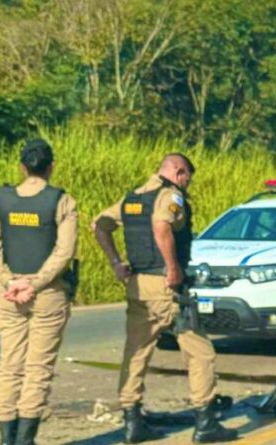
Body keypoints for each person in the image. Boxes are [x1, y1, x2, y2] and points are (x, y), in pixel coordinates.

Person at [92, 154, 237, 444]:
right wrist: (173, 269)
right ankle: (205, 422)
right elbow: (161, 226)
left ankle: (133, 422)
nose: (186, 184)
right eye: (186, 178)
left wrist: (116, 263)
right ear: (179, 172)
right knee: (200, 352)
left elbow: (99, 225)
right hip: (166, 287)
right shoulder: (170, 196)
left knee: (136, 352)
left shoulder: (133, 197)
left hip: (138, 287)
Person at [0, 139, 78, 445]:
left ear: (22, 167)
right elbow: (65, 252)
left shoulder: (1, 199)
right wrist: (34, 283)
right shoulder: (62, 201)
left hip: (9, 294)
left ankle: (6, 440)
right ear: (51, 167)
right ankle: (24, 441)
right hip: (47, 293)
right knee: (38, 369)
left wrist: (10, 281)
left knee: (9, 366)